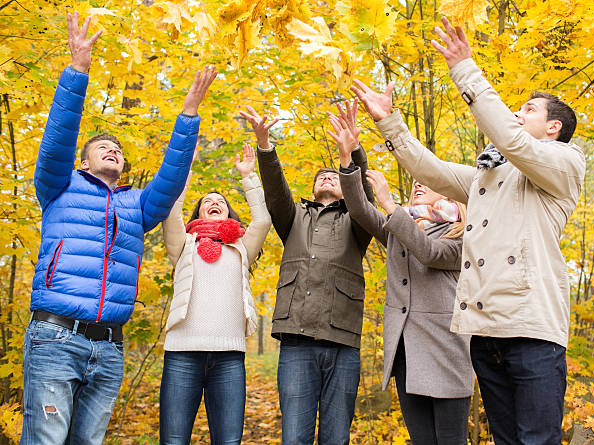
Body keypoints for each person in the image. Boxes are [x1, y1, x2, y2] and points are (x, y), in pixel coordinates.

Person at [351, 16, 586, 445]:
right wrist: (390, 124)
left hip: (533, 330)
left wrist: (464, 69)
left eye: (529, 109)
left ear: (554, 127)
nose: (518, 112)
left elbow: (514, 142)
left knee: (537, 439)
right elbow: (431, 170)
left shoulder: (565, 163)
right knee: (505, 439)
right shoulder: (488, 177)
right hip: (485, 330)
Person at [21, 12, 216, 445]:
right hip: (55, 336)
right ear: (84, 162)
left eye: (117, 149)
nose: (112, 149)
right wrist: (77, 71)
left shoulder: (137, 205)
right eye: (101, 147)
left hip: (109, 347)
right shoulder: (58, 186)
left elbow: (169, 181)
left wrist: (187, 116)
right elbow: (56, 138)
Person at [328, 112, 474, 444]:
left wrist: (390, 206)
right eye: (415, 181)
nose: (418, 183)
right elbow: (362, 210)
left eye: (429, 181)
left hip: (446, 348)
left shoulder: (464, 234)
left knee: (450, 440)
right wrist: (348, 161)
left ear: (452, 196)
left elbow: (431, 253)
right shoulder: (400, 225)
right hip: (405, 350)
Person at [239, 102, 373, 445]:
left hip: (343, 342)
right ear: (313, 189)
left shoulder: (357, 221)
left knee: (336, 436)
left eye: (334, 176)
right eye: (320, 177)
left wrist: (352, 154)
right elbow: (276, 191)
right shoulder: (293, 217)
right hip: (296, 342)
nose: (326, 178)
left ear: (345, 185)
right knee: (294, 437)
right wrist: (265, 145)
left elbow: (365, 198)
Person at [158, 142, 271, 445]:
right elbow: (171, 211)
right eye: (207, 200)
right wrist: (186, 167)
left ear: (227, 212)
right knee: (173, 440)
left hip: (229, 358)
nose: (214, 201)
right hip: (182, 354)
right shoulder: (183, 245)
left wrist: (248, 176)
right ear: (199, 211)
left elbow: (262, 219)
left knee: (229, 441)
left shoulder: (241, 247)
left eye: (219, 200)